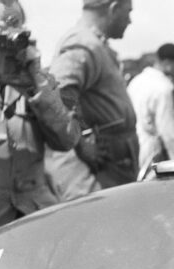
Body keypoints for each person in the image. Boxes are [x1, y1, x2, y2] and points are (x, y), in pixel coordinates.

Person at [0, 0, 80, 239]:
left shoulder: (37, 80)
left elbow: (66, 139)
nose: (8, 37)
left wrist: (37, 78)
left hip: (34, 222)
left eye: (16, 27)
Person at [45, 0, 138, 200]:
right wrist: (81, 141)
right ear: (113, 9)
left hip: (108, 172)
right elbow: (57, 95)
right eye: (127, 12)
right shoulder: (83, 44)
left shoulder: (95, 45)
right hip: (91, 177)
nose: (129, 21)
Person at [127, 43, 174, 178]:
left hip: (130, 147)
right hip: (150, 151)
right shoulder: (162, 88)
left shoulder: (136, 81)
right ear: (167, 63)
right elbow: (167, 130)